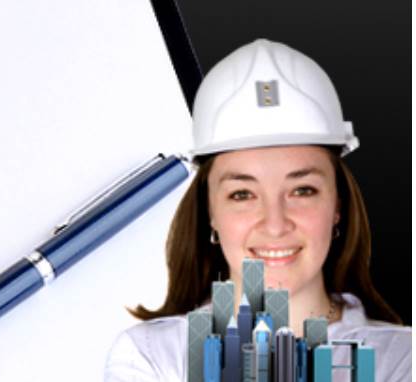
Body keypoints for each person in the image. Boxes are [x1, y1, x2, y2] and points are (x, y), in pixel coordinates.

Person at [105, 39, 410, 381]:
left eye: (302, 190)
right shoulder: (152, 357)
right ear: (210, 212)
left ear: (337, 206)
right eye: (242, 194)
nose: (275, 224)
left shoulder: (402, 360)